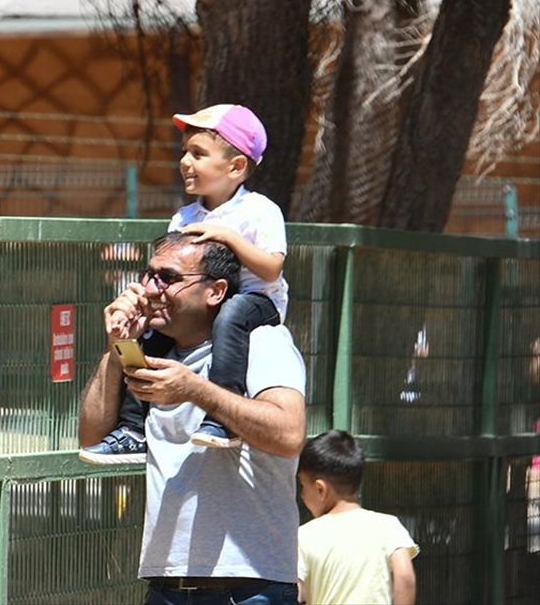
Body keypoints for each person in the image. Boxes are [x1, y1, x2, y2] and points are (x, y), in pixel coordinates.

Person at [78, 231, 306, 605]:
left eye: (167, 278)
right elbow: (91, 438)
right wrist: (118, 346)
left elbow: (289, 434)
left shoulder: (264, 341)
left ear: (216, 291)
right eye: (148, 275)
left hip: (247, 587)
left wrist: (196, 390)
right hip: (166, 586)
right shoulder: (151, 349)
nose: (151, 289)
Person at [80, 104, 289, 463]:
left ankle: (222, 419)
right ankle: (132, 428)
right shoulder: (185, 215)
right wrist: (133, 324)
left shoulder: (260, 211)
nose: (185, 162)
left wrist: (231, 239)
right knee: (148, 336)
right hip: (209, 305)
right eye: (184, 153)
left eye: (198, 154)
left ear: (236, 167)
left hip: (255, 300)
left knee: (232, 316)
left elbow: (271, 269)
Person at [297, 430, 419, 605]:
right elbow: (405, 577)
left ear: (320, 489)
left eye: (302, 486)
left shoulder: (304, 535)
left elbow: (296, 591)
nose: (301, 495)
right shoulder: (388, 525)